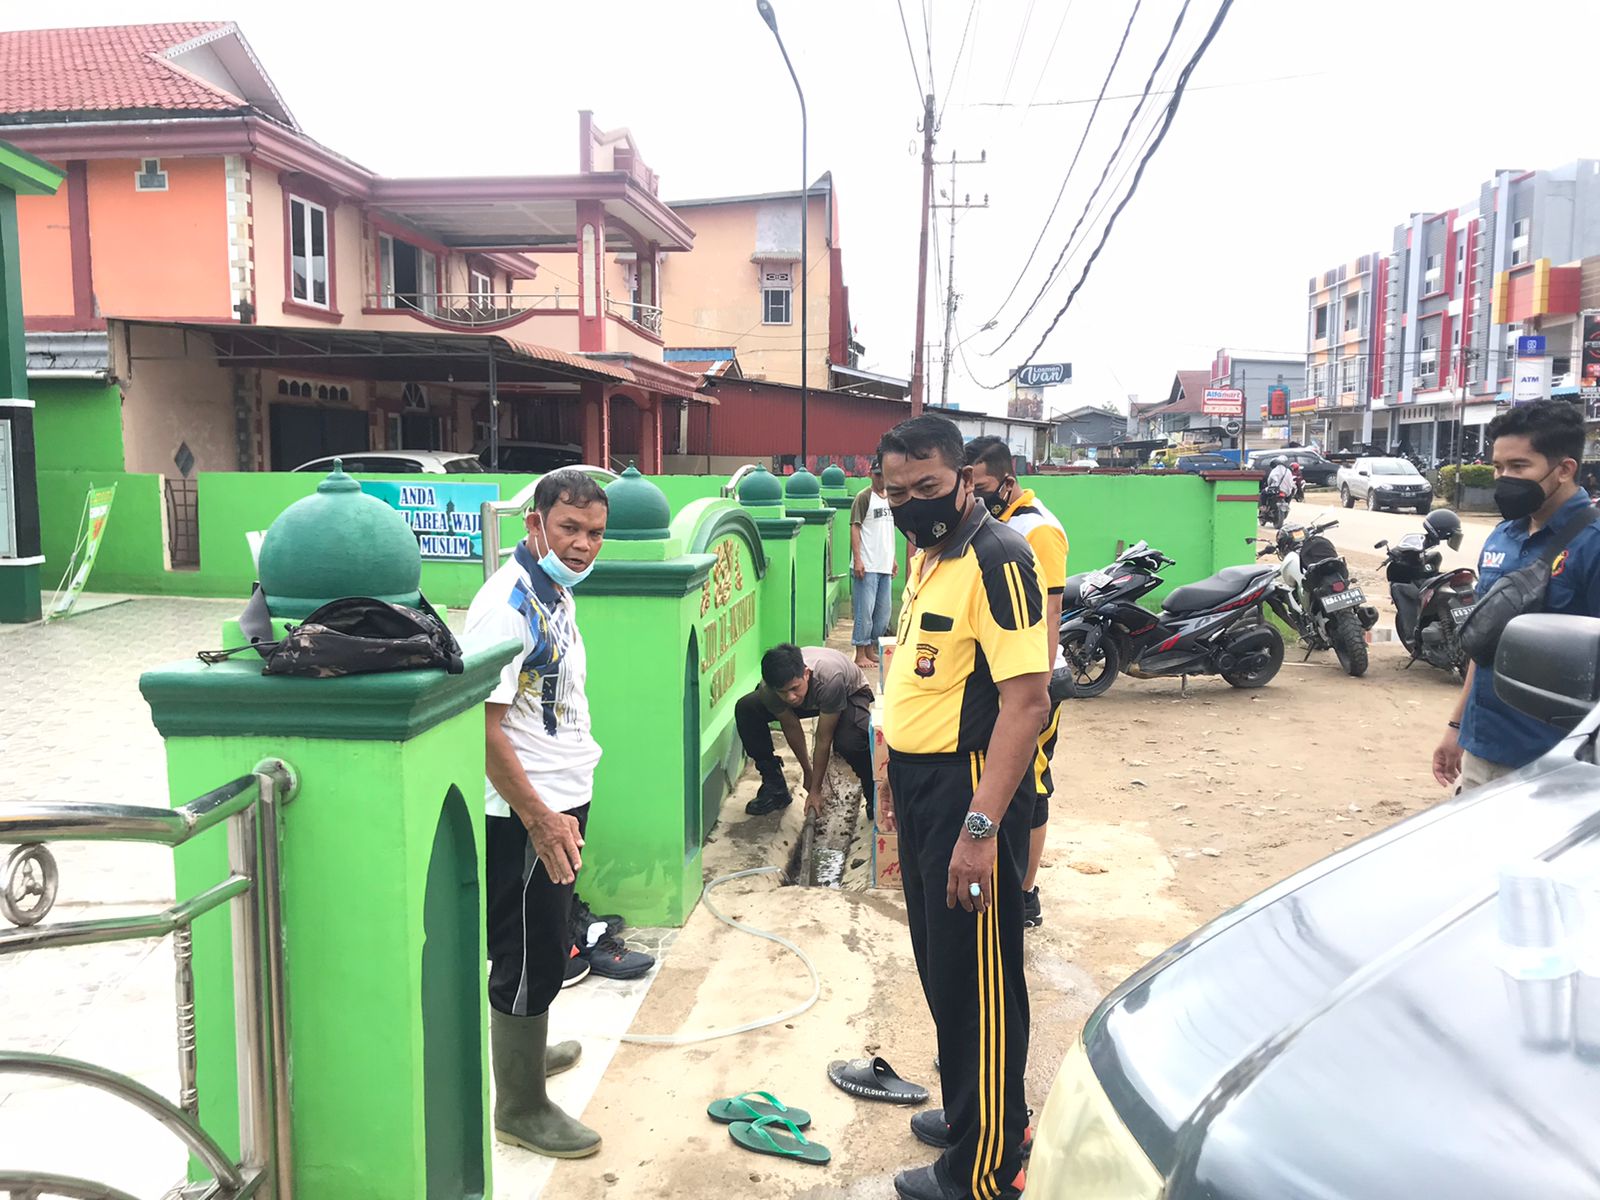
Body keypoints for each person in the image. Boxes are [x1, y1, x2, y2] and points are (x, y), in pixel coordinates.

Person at [876, 415, 1051, 1200]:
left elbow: (1026, 703)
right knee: (944, 969)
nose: (914, 504)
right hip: (920, 783)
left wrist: (979, 831)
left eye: (929, 489)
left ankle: (985, 1170)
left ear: (967, 480)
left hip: (967, 789)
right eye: (897, 493)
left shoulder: (998, 558)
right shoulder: (927, 556)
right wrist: (890, 766)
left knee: (979, 980)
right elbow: (921, 675)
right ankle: (972, 1114)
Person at [465, 468, 612, 1159]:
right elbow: (482, 730)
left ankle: (526, 1052)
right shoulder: (508, 604)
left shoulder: (553, 590)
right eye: (569, 530)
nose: (584, 545)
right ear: (534, 525)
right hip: (529, 809)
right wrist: (540, 817)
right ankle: (519, 1104)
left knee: (549, 936)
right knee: (527, 950)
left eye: (594, 533)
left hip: (563, 791)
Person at [1433, 400, 1600, 793]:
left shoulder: (1592, 545)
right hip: (1483, 746)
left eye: (1519, 467)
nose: (1504, 477)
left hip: (1559, 765)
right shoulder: (1502, 536)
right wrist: (1457, 726)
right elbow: (1486, 641)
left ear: (1564, 469)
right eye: (1497, 467)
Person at [963, 435, 1068, 930]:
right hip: (1004, 677)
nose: (974, 495)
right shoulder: (999, 522)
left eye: (980, 486)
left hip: (1035, 680)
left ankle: (1026, 893)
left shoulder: (1037, 529)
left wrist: (1035, 693)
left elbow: (1048, 612)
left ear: (1007, 481)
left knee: (1033, 780)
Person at [736, 643, 876, 817]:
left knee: (850, 741)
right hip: (812, 697)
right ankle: (775, 788)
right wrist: (807, 771)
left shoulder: (831, 679)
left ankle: (874, 794)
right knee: (747, 708)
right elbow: (791, 726)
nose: (790, 697)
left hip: (849, 693)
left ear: (806, 673)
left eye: (794, 688)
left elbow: (824, 738)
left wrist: (815, 791)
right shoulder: (769, 689)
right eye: (783, 692)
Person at [850, 457, 899, 670]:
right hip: (867, 565)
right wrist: (858, 559)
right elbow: (855, 527)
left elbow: (887, 532)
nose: (881, 479)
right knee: (865, 611)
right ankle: (860, 653)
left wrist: (893, 559)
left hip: (884, 565)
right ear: (871, 474)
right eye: (878, 474)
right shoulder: (864, 497)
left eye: (884, 474)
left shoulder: (890, 499)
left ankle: (871, 649)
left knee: (882, 613)